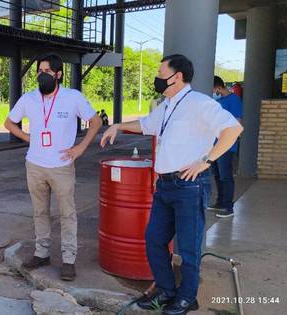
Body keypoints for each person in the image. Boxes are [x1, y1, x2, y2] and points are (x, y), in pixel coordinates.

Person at [101, 54, 243, 315]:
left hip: (190, 185)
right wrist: (118, 126)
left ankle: (188, 297)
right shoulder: (167, 105)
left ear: (176, 77)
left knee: (188, 246)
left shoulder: (200, 103)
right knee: (154, 239)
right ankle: (166, 290)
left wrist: (206, 161)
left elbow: (233, 129)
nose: (156, 76)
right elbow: (145, 125)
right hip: (165, 186)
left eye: (159, 72)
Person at [4, 53, 102, 281]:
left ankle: (68, 260)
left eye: (47, 71)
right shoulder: (29, 99)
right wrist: (27, 137)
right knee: (40, 212)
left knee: (67, 213)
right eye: (39, 71)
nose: (42, 75)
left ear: (58, 74)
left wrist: (80, 148)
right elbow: (9, 122)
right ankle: (42, 253)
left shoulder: (72, 97)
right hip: (35, 165)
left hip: (62, 166)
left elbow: (95, 122)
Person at [209, 76, 243, 218]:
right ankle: (220, 202)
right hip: (215, 145)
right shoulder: (220, 101)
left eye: (213, 89)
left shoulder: (234, 100)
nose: (213, 92)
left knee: (225, 176)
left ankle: (228, 207)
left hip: (226, 146)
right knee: (217, 175)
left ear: (218, 87)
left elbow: (237, 122)